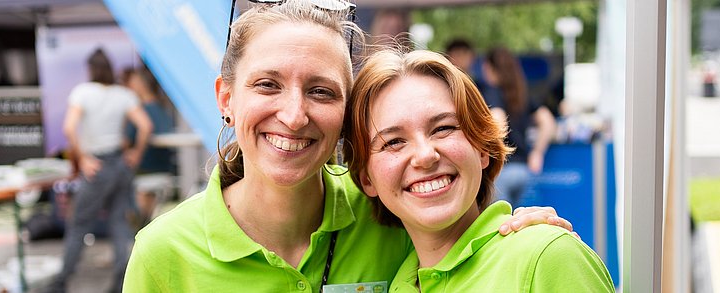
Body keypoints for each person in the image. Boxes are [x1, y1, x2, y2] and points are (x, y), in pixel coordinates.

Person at [123, 1, 573, 291]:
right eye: (267, 85)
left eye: (321, 91)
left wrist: (521, 232)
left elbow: (470, 256)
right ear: (226, 98)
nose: (294, 115)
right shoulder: (164, 253)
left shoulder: (391, 213)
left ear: (345, 114)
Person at [342, 48, 614, 292]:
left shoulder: (546, 257)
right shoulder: (400, 281)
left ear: (482, 147)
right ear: (367, 179)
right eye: (394, 142)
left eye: (443, 128)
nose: (425, 156)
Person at [55, 48, 152, 293]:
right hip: (120, 164)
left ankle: (61, 281)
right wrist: (136, 154)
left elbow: (69, 128)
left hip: (96, 166)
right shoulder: (123, 94)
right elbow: (145, 126)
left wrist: (83, 158)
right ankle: (123, 283)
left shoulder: (83, 92)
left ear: (91, 69)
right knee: (120, 224)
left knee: (78, 224)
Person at [487, 46, 557, 208]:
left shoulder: (492, 92)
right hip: (524, 172)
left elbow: (499, 121)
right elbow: (548, 121)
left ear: (490, 68)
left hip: (501, 173)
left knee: (501, 227)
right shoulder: (522, 94)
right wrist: (537, 153)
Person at [121, 66, 176, 222]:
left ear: (139, 84)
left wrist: (135, 153)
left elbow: (143, 129)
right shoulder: (162, 108)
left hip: (144, 173)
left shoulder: (140, 111)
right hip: (163, 171)